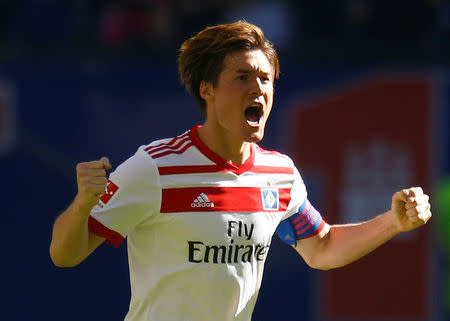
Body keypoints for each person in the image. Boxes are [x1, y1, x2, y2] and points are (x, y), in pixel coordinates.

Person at [49, 21, 432, 321]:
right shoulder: (154, 167)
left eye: (265, 79)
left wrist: (392, 223)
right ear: (207, 90)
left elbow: (322, 247)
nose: (258, 89)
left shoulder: (279, 174)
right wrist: (83, 204)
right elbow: (65, 254)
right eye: (243, 77)